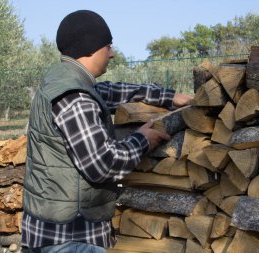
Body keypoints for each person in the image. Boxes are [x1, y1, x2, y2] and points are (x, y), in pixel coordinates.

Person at [21, 9, 193, 253]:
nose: (112, 54)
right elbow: (103, 163)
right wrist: (142, 140)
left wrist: (169, 97)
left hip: (60, 232)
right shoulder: (75, 98)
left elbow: (111, 92)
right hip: (70, 238)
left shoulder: (64, 81)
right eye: (108, 46)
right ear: (90, 48)